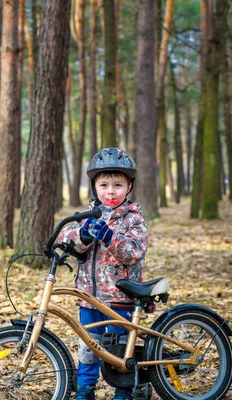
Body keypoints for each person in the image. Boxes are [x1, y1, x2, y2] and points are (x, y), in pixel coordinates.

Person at [55, 147, 148, 400]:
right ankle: (86, 387)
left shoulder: (133, 219)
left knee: (119, 347)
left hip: (120, 297)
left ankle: (124, 389)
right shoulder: (87, 216)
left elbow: (134, 251)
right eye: (104, 185)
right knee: (88, 344)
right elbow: (66, 238)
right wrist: (82, 235)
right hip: (88, 296)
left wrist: (109, 236)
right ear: (95, 186)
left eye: (117, 185)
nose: (110, 191)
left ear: (129, 187)